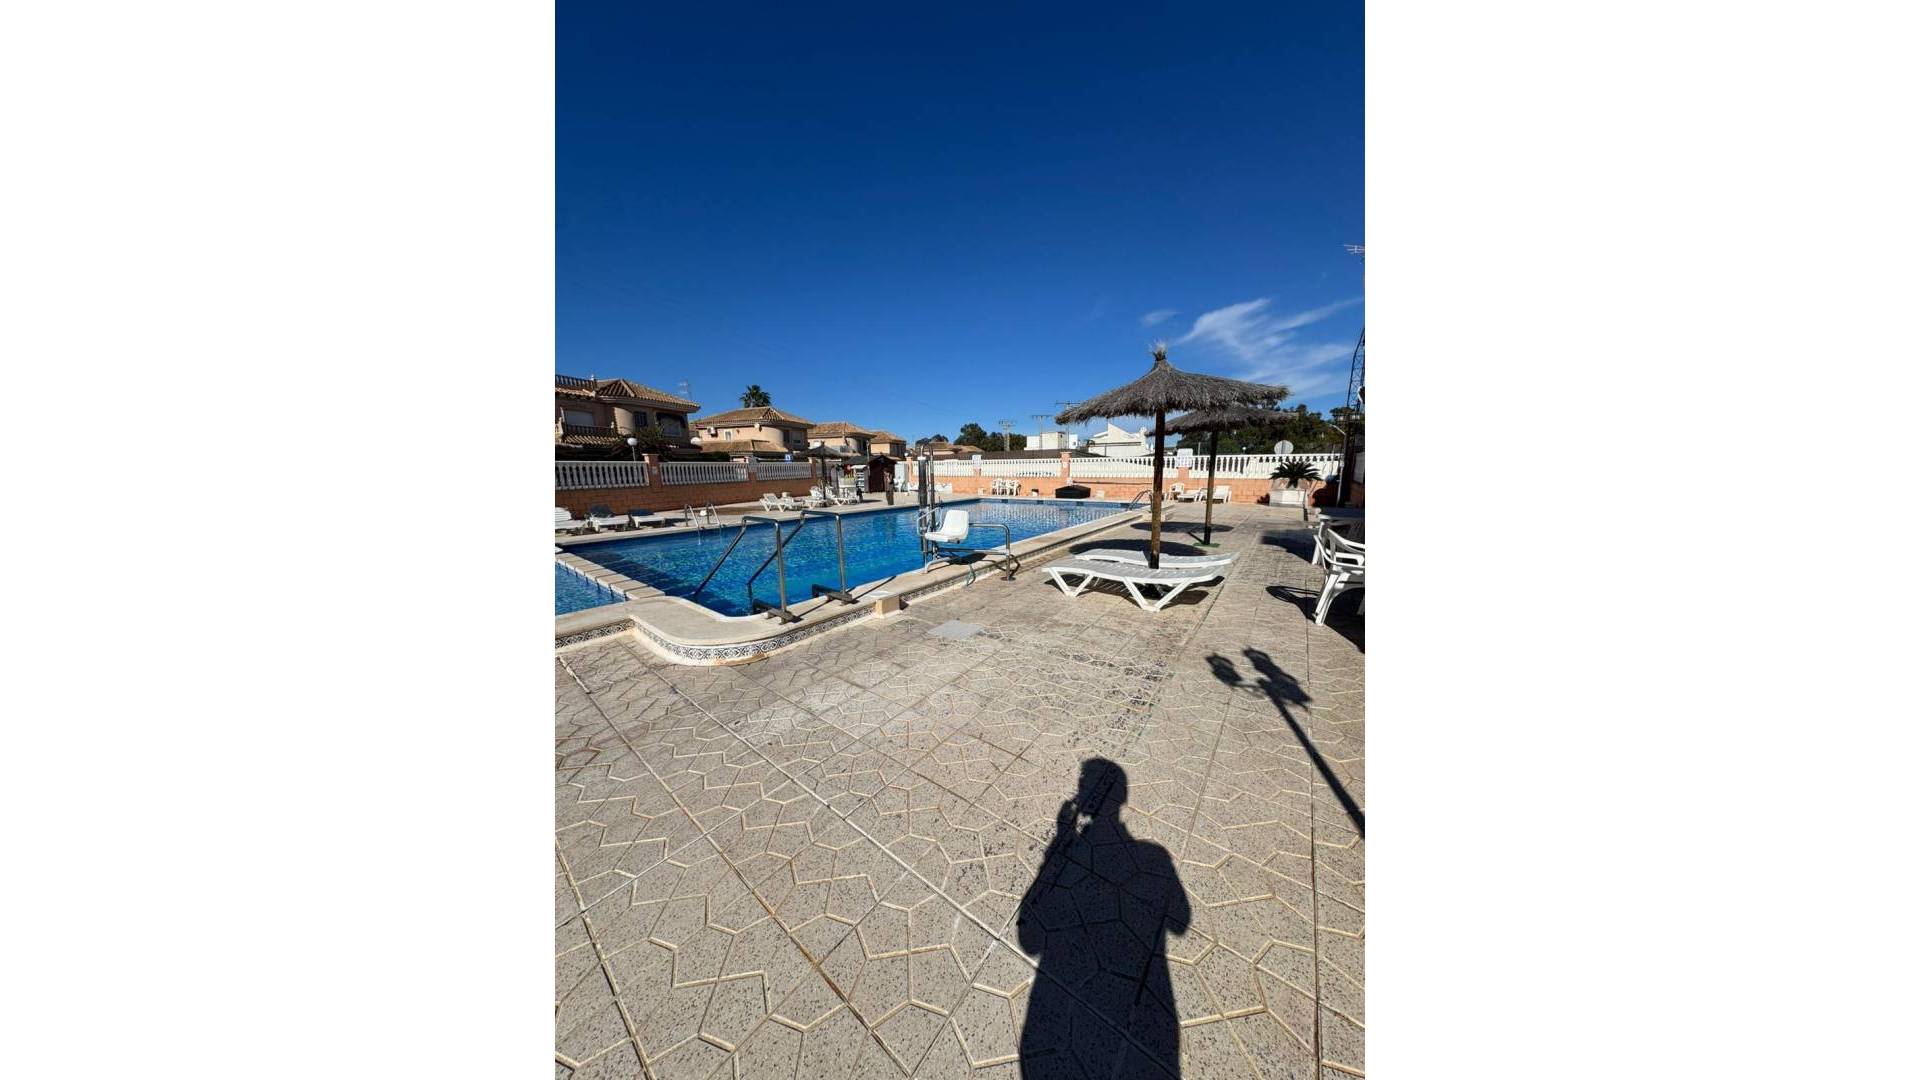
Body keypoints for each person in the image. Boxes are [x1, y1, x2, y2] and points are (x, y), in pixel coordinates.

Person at [1014, 759, 1190, 1078]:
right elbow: (1180, 921)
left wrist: (1057, 847)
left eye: (1083, 782)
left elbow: (1030, 940)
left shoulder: (1153, 857)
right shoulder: (1155, 857)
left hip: (1057, 1013)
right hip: (1144, 1014)